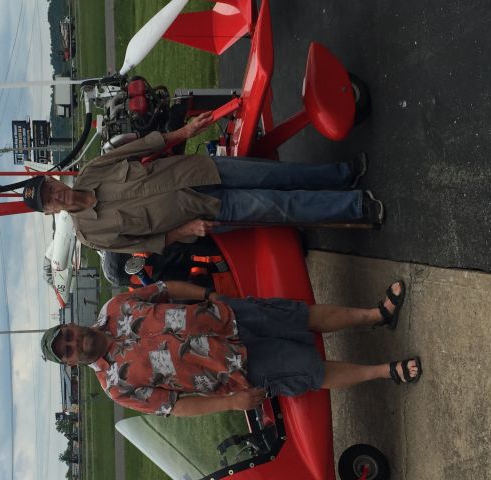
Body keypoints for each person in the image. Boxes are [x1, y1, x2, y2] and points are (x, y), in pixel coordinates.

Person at [40, 280, 421, 417]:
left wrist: (208, 294)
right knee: (309, 370)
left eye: (67, 335)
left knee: (299, 316)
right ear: (72, 362)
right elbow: (176, 406)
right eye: (67, 350)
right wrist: (229, 403)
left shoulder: (114, 307)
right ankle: (384, 372)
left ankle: (376, 315)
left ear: (71, 325)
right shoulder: (115, 387)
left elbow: (163, 289)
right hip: (231, 370)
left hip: (228, 317)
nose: (73, 343)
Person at [21, 112, 384, 254]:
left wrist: (186, 130)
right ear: (50, 212)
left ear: (53, 179)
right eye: (49, 200)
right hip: (202, 211)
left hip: (201, 169)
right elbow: (150, 242)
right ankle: (356, 206)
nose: (56, 194)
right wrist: (188, 229)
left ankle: (342, 174)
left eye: (49, 187)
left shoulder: (90, 172)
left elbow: (146, 146)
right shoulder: (92, 236)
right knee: (279, 206)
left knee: (278, 174)